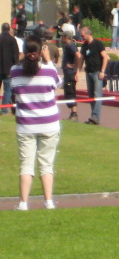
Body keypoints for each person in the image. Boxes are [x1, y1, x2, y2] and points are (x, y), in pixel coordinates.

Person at [11, 35, 62, 210]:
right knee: (46, 163)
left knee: (26, 164)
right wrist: (49, 61)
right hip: (49, 122)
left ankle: (23, 202)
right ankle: (48, 201)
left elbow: (14, 88)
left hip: (26, 124)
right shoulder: (49, 70)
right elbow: (58, 83)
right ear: (41, 51)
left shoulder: (15, 71)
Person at [75, 27, 109, 125]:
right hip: (88, 72)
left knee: (97, 95)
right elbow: (81, 59)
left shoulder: (98, 43)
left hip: (97, 72)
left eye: (82, 35)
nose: (81, 37)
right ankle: (94, 117)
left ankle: (95, 116)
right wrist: (78, 71)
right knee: (90, 95)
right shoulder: (84, 45)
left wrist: (102, 71)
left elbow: (105, 57)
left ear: (88, 34)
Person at [60, 31, 80, 121]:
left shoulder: (70, 45)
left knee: (70, 92)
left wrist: (74, 65)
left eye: (62, 37)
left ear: (66, 37)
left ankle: (74, 114)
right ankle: (73, 114)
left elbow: (78, 55)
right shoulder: (68, 46)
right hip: (68, 73)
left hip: (70, 73)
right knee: (69, 92)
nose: (61, 38)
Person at [0, 23, 19, 115]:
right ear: (8, 29)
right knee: (7, 90)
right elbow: (15, 55)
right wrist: (16, 66)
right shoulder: (12, 40)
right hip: (8, 68)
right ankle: (4, 110)